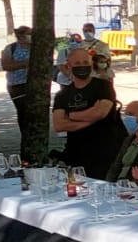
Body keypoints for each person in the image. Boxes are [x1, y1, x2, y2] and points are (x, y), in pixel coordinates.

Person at [52, 45, 121, 178]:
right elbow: (59, 125)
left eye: (85, 62)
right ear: (68, 66)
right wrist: (90, 119)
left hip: (106, 149)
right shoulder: (63, 94)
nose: (82, 66)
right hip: (76, 152)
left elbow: (99, 113)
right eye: (77, 63)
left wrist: (71, 115)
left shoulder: (103, 86)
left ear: (91, 64)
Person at [0, 25, 32, 114]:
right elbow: (6, 66)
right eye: (29, 34)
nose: (31, 36)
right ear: (21, 36)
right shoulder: (10, 48)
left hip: (32, 83)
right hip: (16, 85)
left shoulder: (35, 48)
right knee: (22, 111)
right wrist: (24, 64)